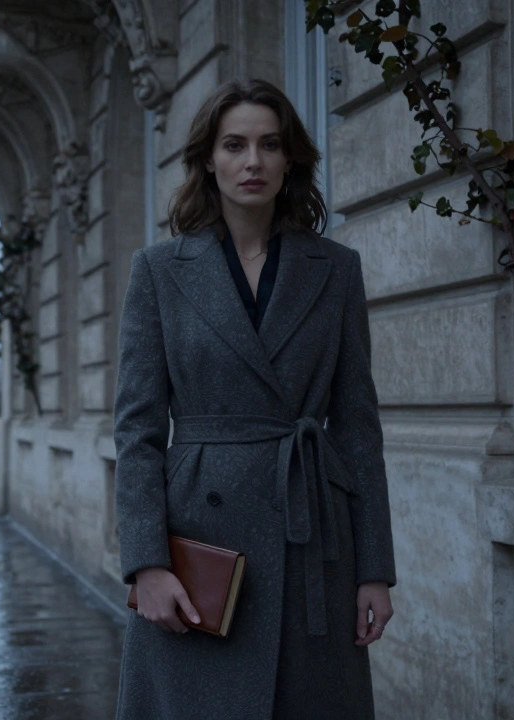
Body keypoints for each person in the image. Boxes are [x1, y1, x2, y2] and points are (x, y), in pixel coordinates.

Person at [113, 78, 396, 719]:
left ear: (290, 158)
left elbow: (356, 426)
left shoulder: (335, 268)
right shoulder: (159, 271)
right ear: (208, 159)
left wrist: (373, 568)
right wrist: (145, 564)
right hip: (199, 545)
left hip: (311, 534)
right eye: (234, 144)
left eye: (270, 145)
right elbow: (137, 431)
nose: (253, 162)